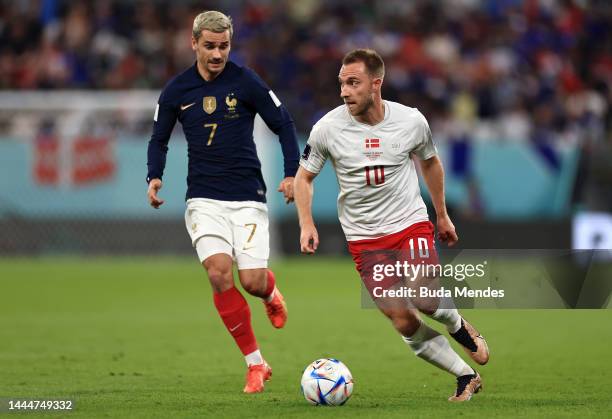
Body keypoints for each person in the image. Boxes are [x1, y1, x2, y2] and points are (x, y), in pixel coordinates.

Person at [293, 49, 490, 402]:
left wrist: (441, 214)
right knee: (402, 320)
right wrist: (306, 223)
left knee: (424, 298)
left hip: (408, 224)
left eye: (353, 83)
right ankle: (465, 375)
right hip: (364, 240)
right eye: (341, 83)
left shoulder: (411, 121)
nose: (344, 91)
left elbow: (430, 164)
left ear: (376, 84)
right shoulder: (327, 128)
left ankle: (458, 325)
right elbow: (303, 178)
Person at [146, 11, 299, 394]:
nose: (217, 54)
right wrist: (154, 175)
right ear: (193, 43)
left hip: (248, 197)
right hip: (203, 199)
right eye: (210, 46)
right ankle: (256, 364)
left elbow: (284, 124)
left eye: (224, 46)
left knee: (252, 281)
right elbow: (158, 138)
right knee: (218, 273)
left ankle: (270, 290)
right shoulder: (176, 91)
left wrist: (291, 171)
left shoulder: (246, 82)